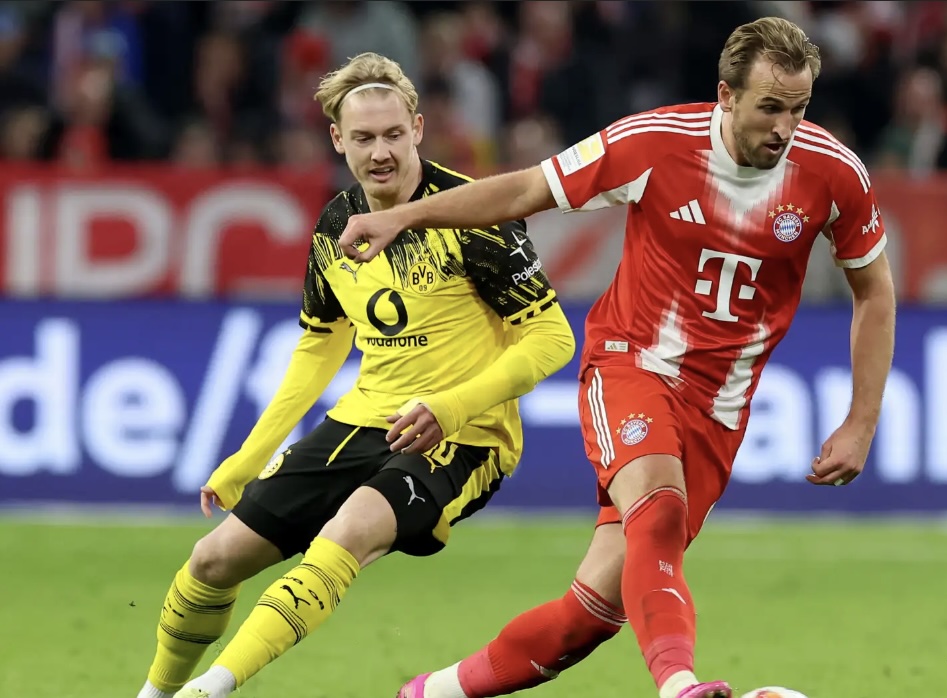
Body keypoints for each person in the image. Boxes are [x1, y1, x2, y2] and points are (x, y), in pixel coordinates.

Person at [342, 17, 896, 698]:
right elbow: (525, 190)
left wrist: (861, 421)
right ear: (726, 96)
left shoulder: (833, 173)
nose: (785, 128)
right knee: (658, 509)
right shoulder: (653, 143)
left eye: (799, 108)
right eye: (770, 107)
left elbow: (874, 292)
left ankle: (432, 693)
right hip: (631, 366)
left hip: (719, 410)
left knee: (590, 617)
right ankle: (680, 685)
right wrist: (403, 216)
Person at [133, 52, 576, 698]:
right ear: (338, 139)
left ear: (418, 128)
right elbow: (320, 344)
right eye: (364, 138)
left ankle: (214, 688)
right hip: (365, 418)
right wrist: (248, 457)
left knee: (343, 537)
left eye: (394, 134)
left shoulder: (473, 215)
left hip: (464, 436)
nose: (381, 153)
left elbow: (553, 336)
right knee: (212, 560)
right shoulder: (336, 225)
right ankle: (154, 693)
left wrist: (451, 406)